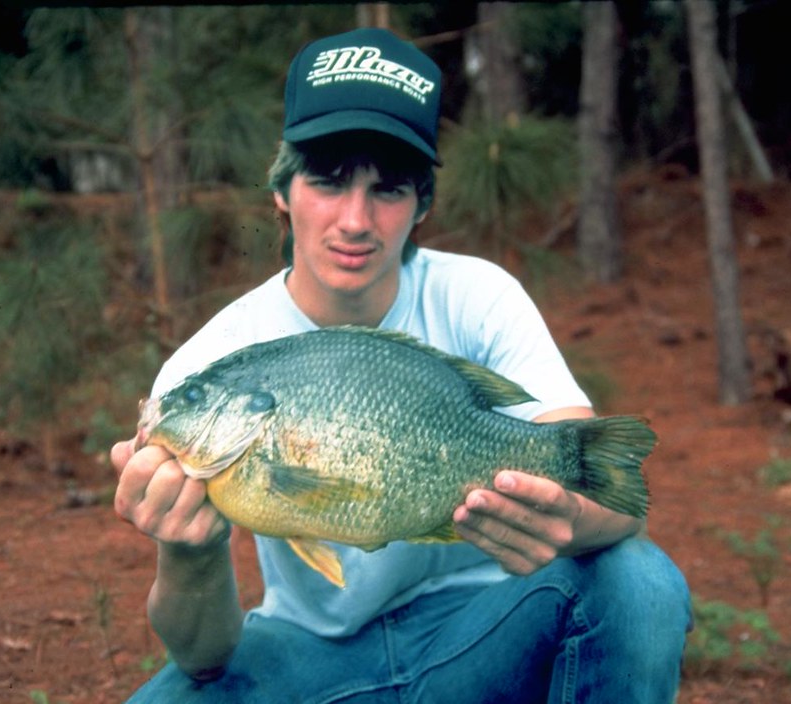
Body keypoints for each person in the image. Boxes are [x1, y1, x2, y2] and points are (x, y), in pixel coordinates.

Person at [112, 27, 691, 703]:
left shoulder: (478, 296)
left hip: (481, 635)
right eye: (327, 181)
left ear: (422, 205)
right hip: (306, 658)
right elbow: (204, 657)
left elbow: (617, 502)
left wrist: (569, 514)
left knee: (637, 582)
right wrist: (190, 550)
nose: (355, 220)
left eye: (387, 189)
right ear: (282, 190)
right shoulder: (212, 366)